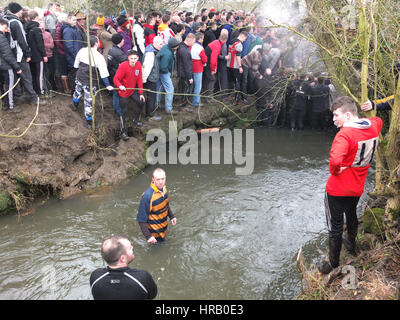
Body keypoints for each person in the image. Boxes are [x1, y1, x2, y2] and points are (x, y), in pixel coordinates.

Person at [317, 96, 383, 274]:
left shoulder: (344, 135)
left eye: (336, 115)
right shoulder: (373, 126)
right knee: (351, 213)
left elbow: (335, 161)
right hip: (357, 187)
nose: (333, 119)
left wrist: (337, 171)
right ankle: (351, 245)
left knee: (335, 226)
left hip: (337, 188)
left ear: (347, 115)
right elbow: (378, 119)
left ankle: (333, 264)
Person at [90, 235, 157, 300]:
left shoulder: (96, 276)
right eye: (130, 248)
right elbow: (152, 295)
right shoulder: (142, 277)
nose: (132, 248)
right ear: (123, 258)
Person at [70, 35, 113, 128]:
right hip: (90, 82)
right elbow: (104, 73)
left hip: (79, 76)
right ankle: (90, 122)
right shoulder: (99, 57)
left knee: (77, 91)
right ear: (96, 44)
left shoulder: (81, 51)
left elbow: (76, 65)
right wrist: (107, 85)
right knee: (88, 101)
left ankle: (74, 104)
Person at [137, 168, 177, 244]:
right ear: (153, 179)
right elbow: (141, 219)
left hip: (163, 230)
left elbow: (166, 205)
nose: (161, 182)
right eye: (158, 179)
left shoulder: (164, 189)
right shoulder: (147, 196)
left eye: (163, 179)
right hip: (154, 236)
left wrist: (172, 216)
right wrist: (148, 236)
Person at [113, 50, 146, 138]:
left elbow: (139, 79)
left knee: (141, 102)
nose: (133, 60)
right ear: (128, 58)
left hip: (132, 90)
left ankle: (136, 120)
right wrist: (120, 86)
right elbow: (116, 79)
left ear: (138, 58)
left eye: (135, 58)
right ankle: (123, 131)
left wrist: (141, 93)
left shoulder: (138, 65)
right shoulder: (123, 66)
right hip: (123, 92)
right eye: (131, 58)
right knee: (124, 111)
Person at [0, 17, 22, 112]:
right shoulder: (1, 38)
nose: (6, 30)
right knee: (9, 85)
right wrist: (17, 67)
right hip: (6, 66)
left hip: (2, 65)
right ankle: (10, 106)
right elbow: (7, 54)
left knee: (4, 85)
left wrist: (7, 34)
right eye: (5, 27)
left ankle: (5, 103)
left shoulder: (4, 36)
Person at [142, 35, 163, 121]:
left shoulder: (153, 50)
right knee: (151, 97)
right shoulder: (150, 53)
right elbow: (147, 67)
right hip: (150, 78)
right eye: (160, 44)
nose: (162, 46)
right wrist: (144, 79)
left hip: (152, 77)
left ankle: (150, 112)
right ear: (155, 43)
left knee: (151, 96)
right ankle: (150, 115)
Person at [156, 37, 180, 115]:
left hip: (158, 72)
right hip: (164, 73)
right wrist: (168, 73)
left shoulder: (166, 47)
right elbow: (163, 67)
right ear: (174, 46)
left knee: (159, 88)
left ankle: (157, 104)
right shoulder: (168, 54)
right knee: (170, 89)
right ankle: (169, 109)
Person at [107, 33, 127, 120]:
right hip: (118, 76)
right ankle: (119, 112)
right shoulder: (119, 53)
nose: (123, 41)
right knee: (118, 94)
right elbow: (126, 64)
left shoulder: (111, 49)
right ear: (119, 41)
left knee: (116, 93)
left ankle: (117, 110)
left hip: (112, 74)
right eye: (122, 40)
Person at [176, 32, 195, 108]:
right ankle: (183, 103)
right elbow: (187, 65)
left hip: (180, 71)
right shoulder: (185, 51)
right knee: (184, 89)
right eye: (193, 42)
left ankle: (182, 101)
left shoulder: (180, 46)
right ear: (190, 40)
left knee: (181, 87)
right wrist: (190, 77)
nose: (193, 44)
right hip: (184, 73)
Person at [190, 32, 207, 107]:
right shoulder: (200, 48)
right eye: (202, 38)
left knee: (191, 84)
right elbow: (204, 59)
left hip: (191, 67)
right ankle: (196, 102)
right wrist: (205, 62)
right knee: (198, 86)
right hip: (198, 68)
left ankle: (189, 98)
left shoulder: (191, 45)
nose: (203, 40)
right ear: (200, 39)